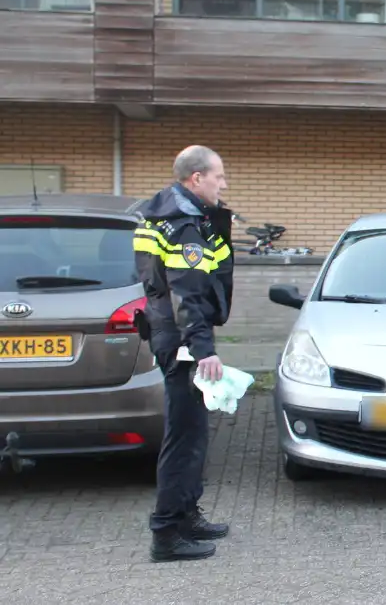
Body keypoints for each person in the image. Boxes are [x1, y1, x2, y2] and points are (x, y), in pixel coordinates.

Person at [133, 145, 235, 562]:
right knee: (183, 437)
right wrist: (202, 348)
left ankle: (187, 514)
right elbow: (186, 291)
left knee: (194, 434)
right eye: (219, 176)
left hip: (173, 337)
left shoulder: (167, 214)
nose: (223, 184)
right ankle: (167, 533)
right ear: (196, 178)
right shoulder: (182, 223)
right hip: (182, 342)